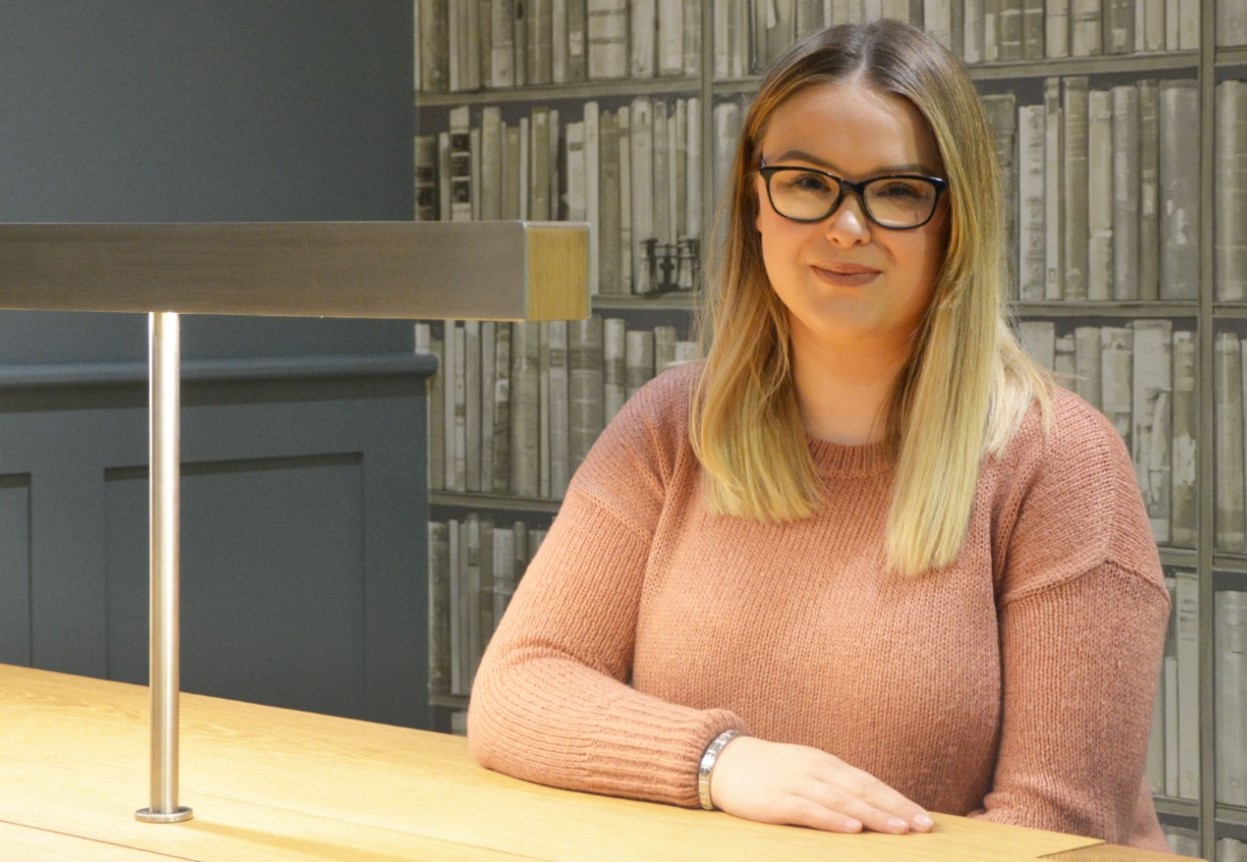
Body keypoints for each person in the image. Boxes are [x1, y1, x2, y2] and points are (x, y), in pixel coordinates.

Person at [467, 18, 1171, 852]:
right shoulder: (668, 426)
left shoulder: (1058, 461)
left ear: (955, 222)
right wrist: (722, 763)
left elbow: (1053, 829)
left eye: (899, 191)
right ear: (754, 201)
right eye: (807, 182)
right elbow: (519, 686)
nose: (846, 227)